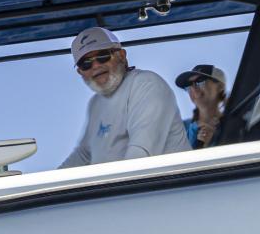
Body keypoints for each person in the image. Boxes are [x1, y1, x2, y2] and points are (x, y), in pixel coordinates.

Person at [60, 26, 190, 168]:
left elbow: (140, 155)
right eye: (86, 64)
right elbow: (84, 155)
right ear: (80, 72)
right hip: (123, 188)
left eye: (103, 56)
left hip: (167, 188)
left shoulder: (146, 84)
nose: (96, 66)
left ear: (121, 55)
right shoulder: (95, 103)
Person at [175, 63, 227, 149]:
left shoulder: (238, 123)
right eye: (188, 86)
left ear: (220, 86)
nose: (193, 89)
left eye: (200, 82)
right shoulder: (180, 129)